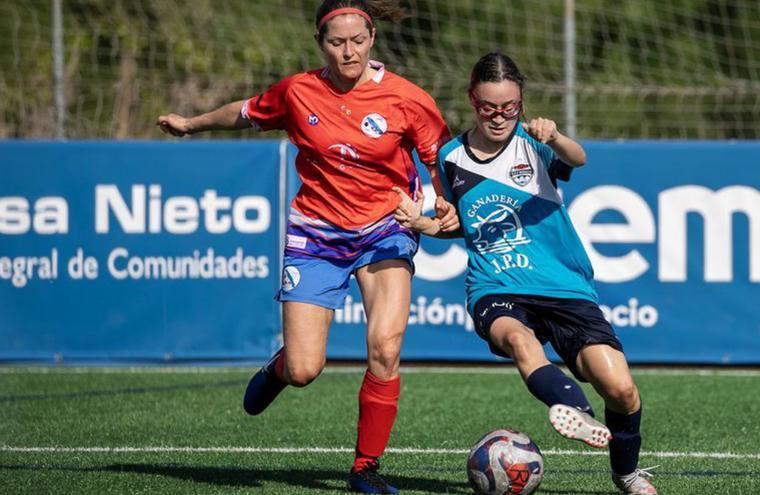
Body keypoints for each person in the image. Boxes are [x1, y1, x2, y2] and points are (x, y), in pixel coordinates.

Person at [157, 2, 457, 493]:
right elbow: (245, 112)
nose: (349, 51)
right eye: (337, 42)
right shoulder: (298, 91)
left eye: (357, 40)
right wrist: (192, 124)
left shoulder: (406, 97)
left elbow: (440, 158)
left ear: (373, 37)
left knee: (384, 346)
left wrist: (444, 203)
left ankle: (365, 469)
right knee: (304, 369)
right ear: (321, 44)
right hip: (317, 234)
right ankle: (280, 368)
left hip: (387, 227)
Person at [393, 52, 658, 495]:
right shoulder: (451, 157)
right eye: (488, 107)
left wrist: (554, 136)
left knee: (622, 390)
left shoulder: (534, 143)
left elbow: (580, 157)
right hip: (494, 284)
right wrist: (424, 224)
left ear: (522, 103)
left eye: (509, 108)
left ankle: (626, 474)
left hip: (562, 283)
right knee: (519, 339)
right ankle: (573, 408)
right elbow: (459, 222)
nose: (498, 117)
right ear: (472, 100)